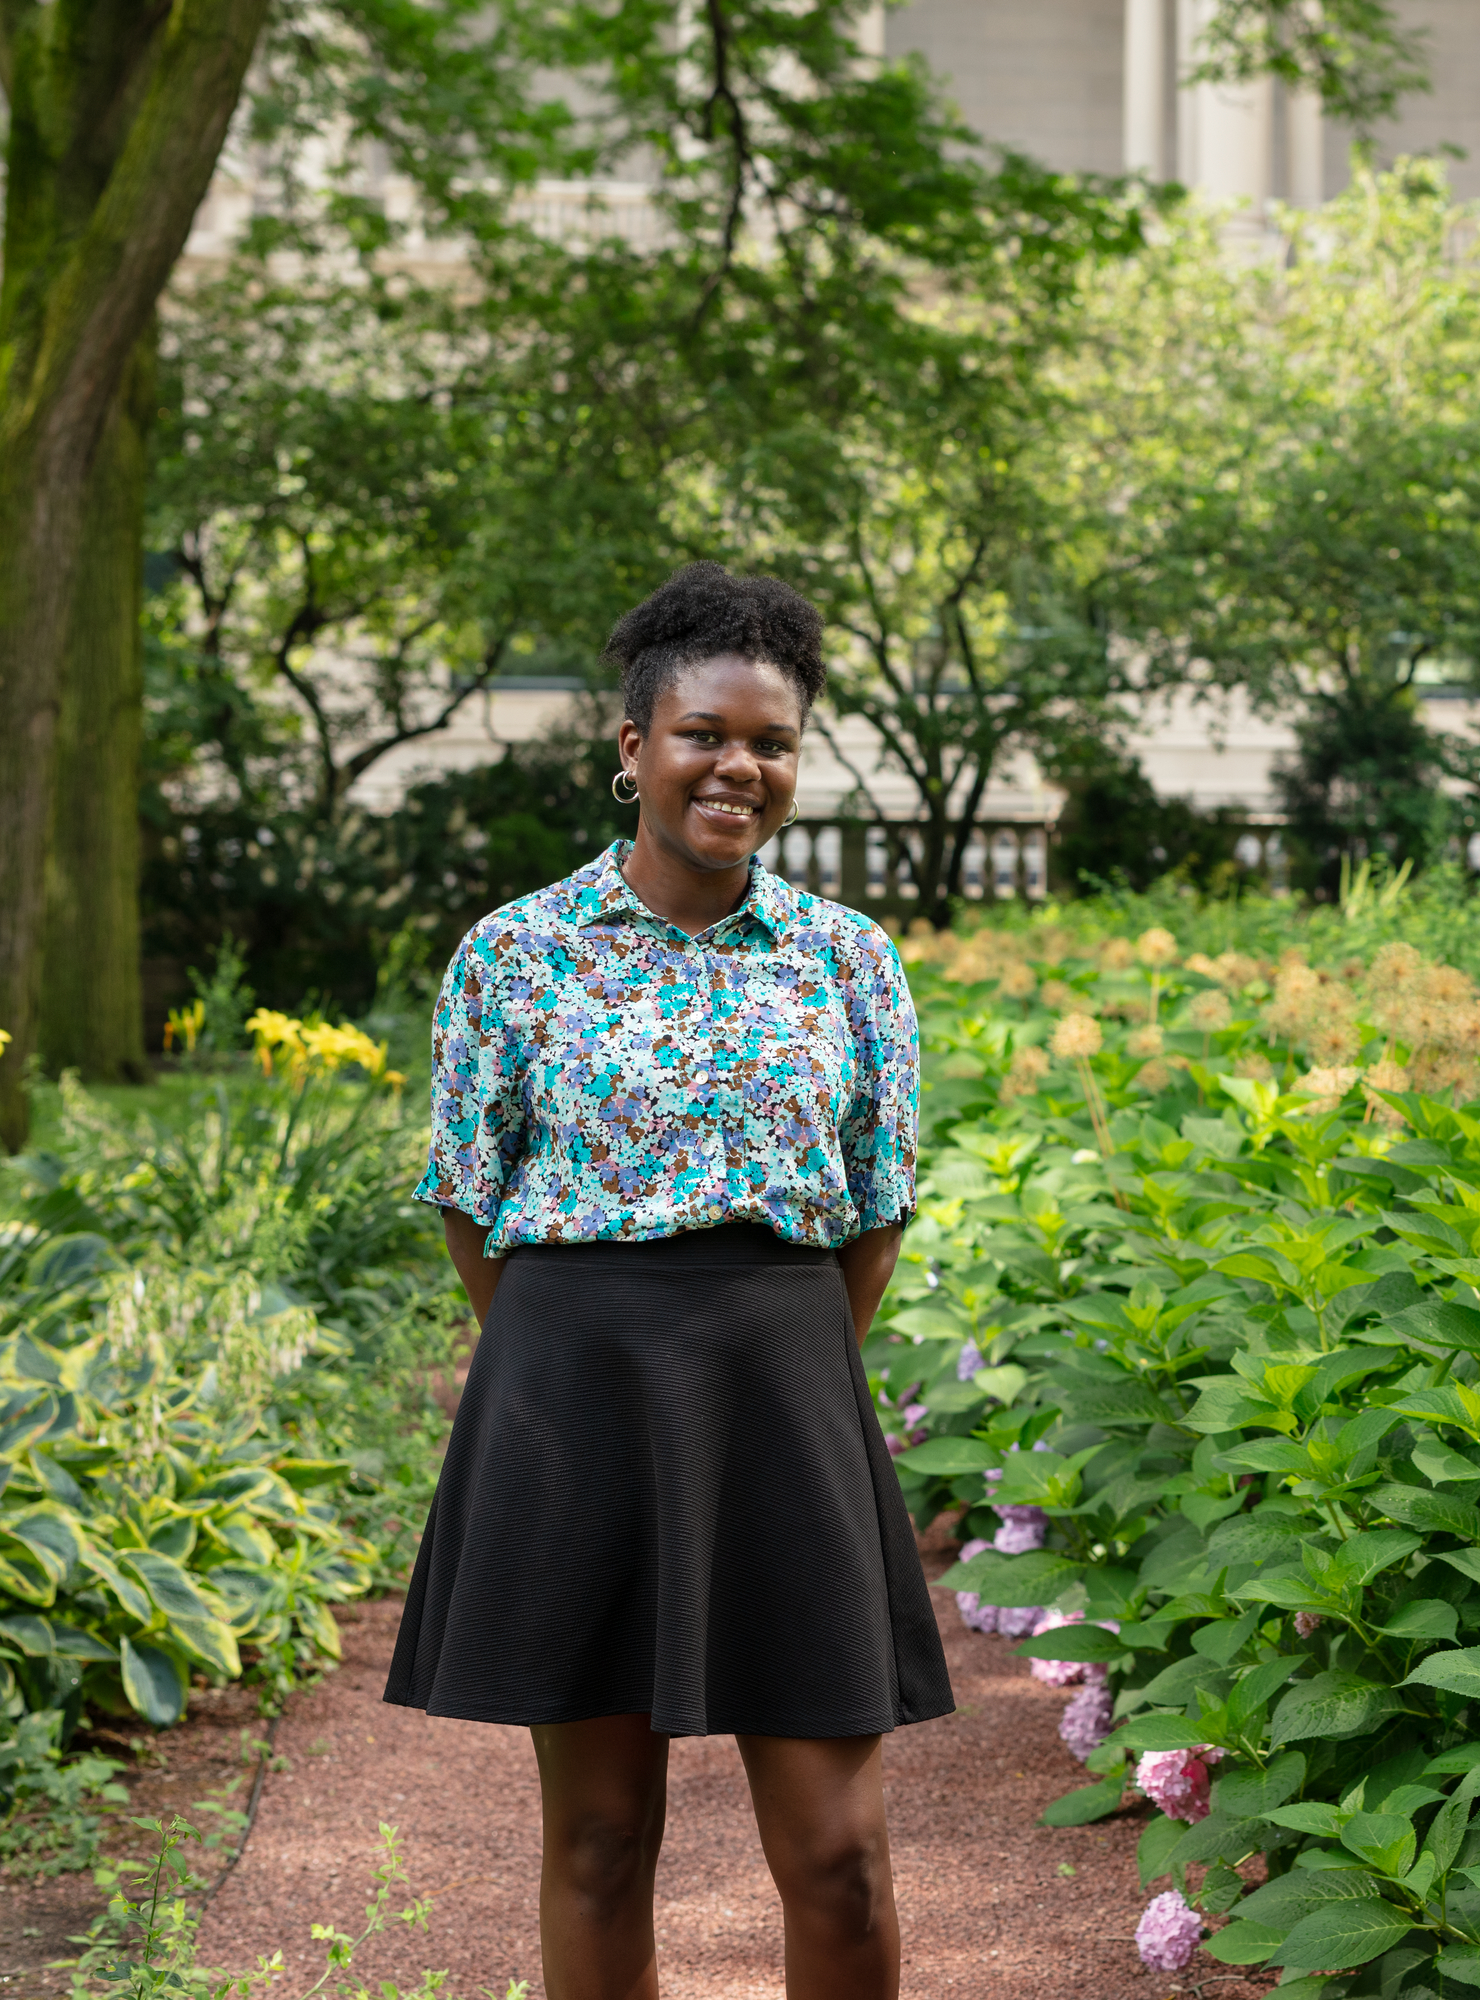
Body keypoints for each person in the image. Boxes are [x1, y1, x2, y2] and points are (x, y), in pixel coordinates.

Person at [386, 562, 948, 2000]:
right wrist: (571, 1357)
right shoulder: (515, 955)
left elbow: (873, 1210)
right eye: (704, 733)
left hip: (783, 1384)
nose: (737, 767)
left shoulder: (849, 963)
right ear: (633, 747)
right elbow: (473, 1194)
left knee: (838, 1854)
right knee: (598, 1840)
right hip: (572, 1393)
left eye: (770, 742)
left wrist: (778, 1349)